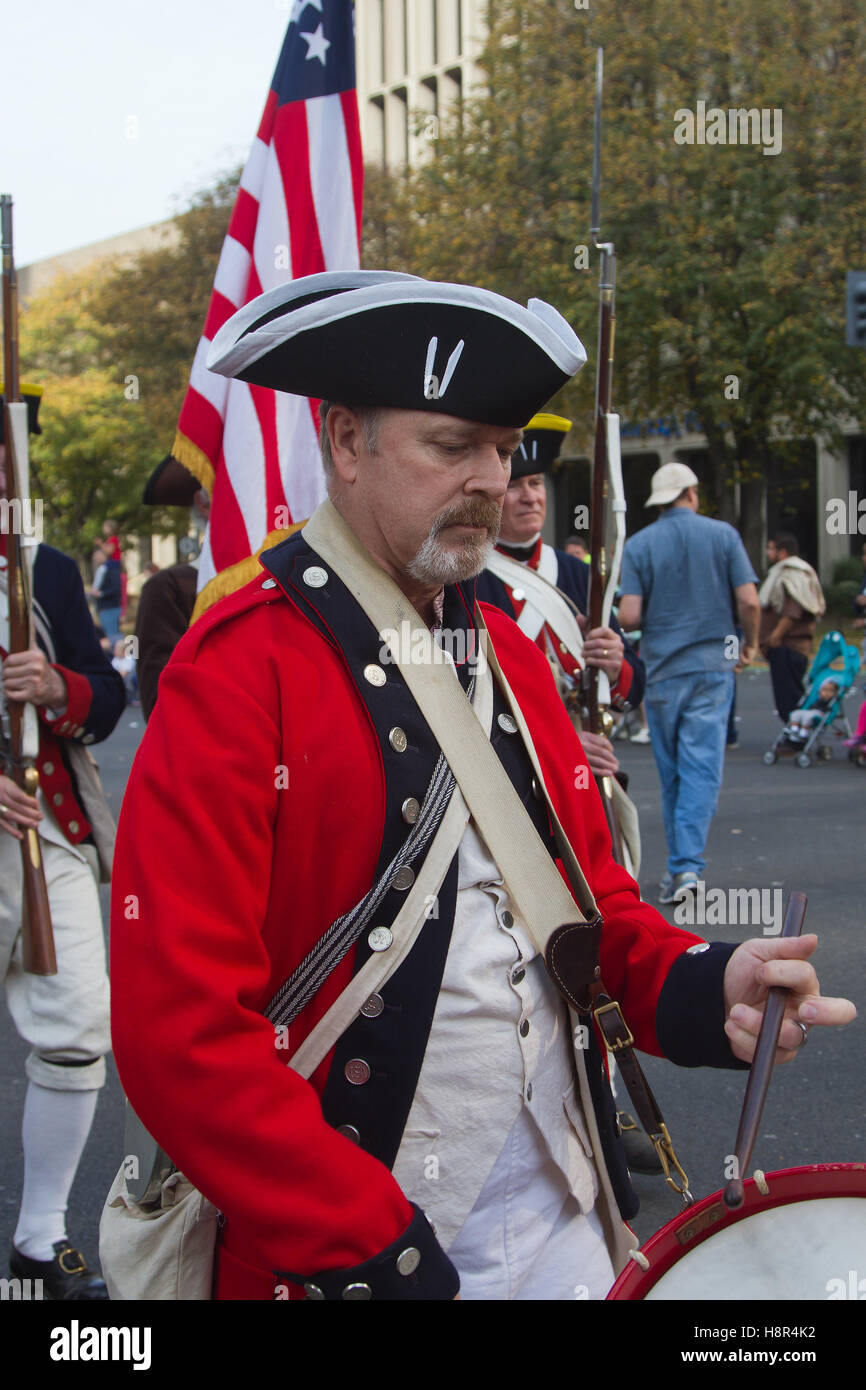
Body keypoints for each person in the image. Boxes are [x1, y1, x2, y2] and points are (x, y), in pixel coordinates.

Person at [109, 272, 853, 1302]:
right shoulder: (235, 671)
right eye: (449, 445)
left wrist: (698, 982)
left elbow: (592, 908)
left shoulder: (506, 647)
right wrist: (375, 1249)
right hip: (354, 1257)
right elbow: (179, 1034)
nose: (490, 481)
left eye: (500, 448)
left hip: (562, 1219)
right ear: (343, 442)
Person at [0, 391, 126, 1299]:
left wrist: (59, 686)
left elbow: (106, 700)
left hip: (51, 834)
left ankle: (41, 1237)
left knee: (81, 1028)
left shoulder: (45, 569)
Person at [618, 464, 760, 903]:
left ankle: (682, 868)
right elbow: (749, 601)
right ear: (692, 493)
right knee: (701, 768)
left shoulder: (640, 544)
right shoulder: (723, 536)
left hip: (661, 670)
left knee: (673, 771)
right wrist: (748, 646)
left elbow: (629, 617)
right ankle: (686, 870)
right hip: (714, 665)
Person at [475, 414, 644, 783]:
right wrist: (563, 743)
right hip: (513, 775)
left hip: (587, 769)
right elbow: (466, 699)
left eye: (536, 483)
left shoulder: (578, 574)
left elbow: (631, 690)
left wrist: (615, 665)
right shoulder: (467, 578)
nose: (530, 496)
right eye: (515, 486)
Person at [758, 533, 826, 723]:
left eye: (771, 548)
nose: (767, 552)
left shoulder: (794, 573)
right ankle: (796, 736)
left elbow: (793, 609)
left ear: (782, 552)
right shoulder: (785, 571)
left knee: (790, 699)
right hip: (786, 646)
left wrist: (775, 636)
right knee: (788, 695)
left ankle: (796, 738)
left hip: (789, 645)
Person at [88, 542, 122, 646]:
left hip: (110, 607)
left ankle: (118, 659)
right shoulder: (102, 568)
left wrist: (100, 594)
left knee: (113, 637)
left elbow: (116, 588)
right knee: (108, 635)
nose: (95, 558)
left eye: (97, 555)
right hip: (104, 608)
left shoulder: (111, 568)